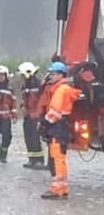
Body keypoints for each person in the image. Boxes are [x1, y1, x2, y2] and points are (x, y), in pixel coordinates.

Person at [39, 61, 83, 200]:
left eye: (53, 74)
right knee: (60, 158)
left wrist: (44, 123)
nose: (50, 76)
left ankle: (58, 189)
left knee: (57, 158)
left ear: (60, 75)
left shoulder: (61, 90)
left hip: (57, 127)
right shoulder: (63, 88)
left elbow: (55, 111)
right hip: (61, 127)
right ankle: (62, 188)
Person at [16, 61, 46, 169]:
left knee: (35, 138)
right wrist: (23, 106)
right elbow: (26, 99)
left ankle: (39, 161)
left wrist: (40, 113)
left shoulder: (39, 84)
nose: (22, 77)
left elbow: (42, 99)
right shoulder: (25, 85)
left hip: (36, 115)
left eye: (23, 75)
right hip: (28, 116)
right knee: (28, 137)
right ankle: (32, 159)